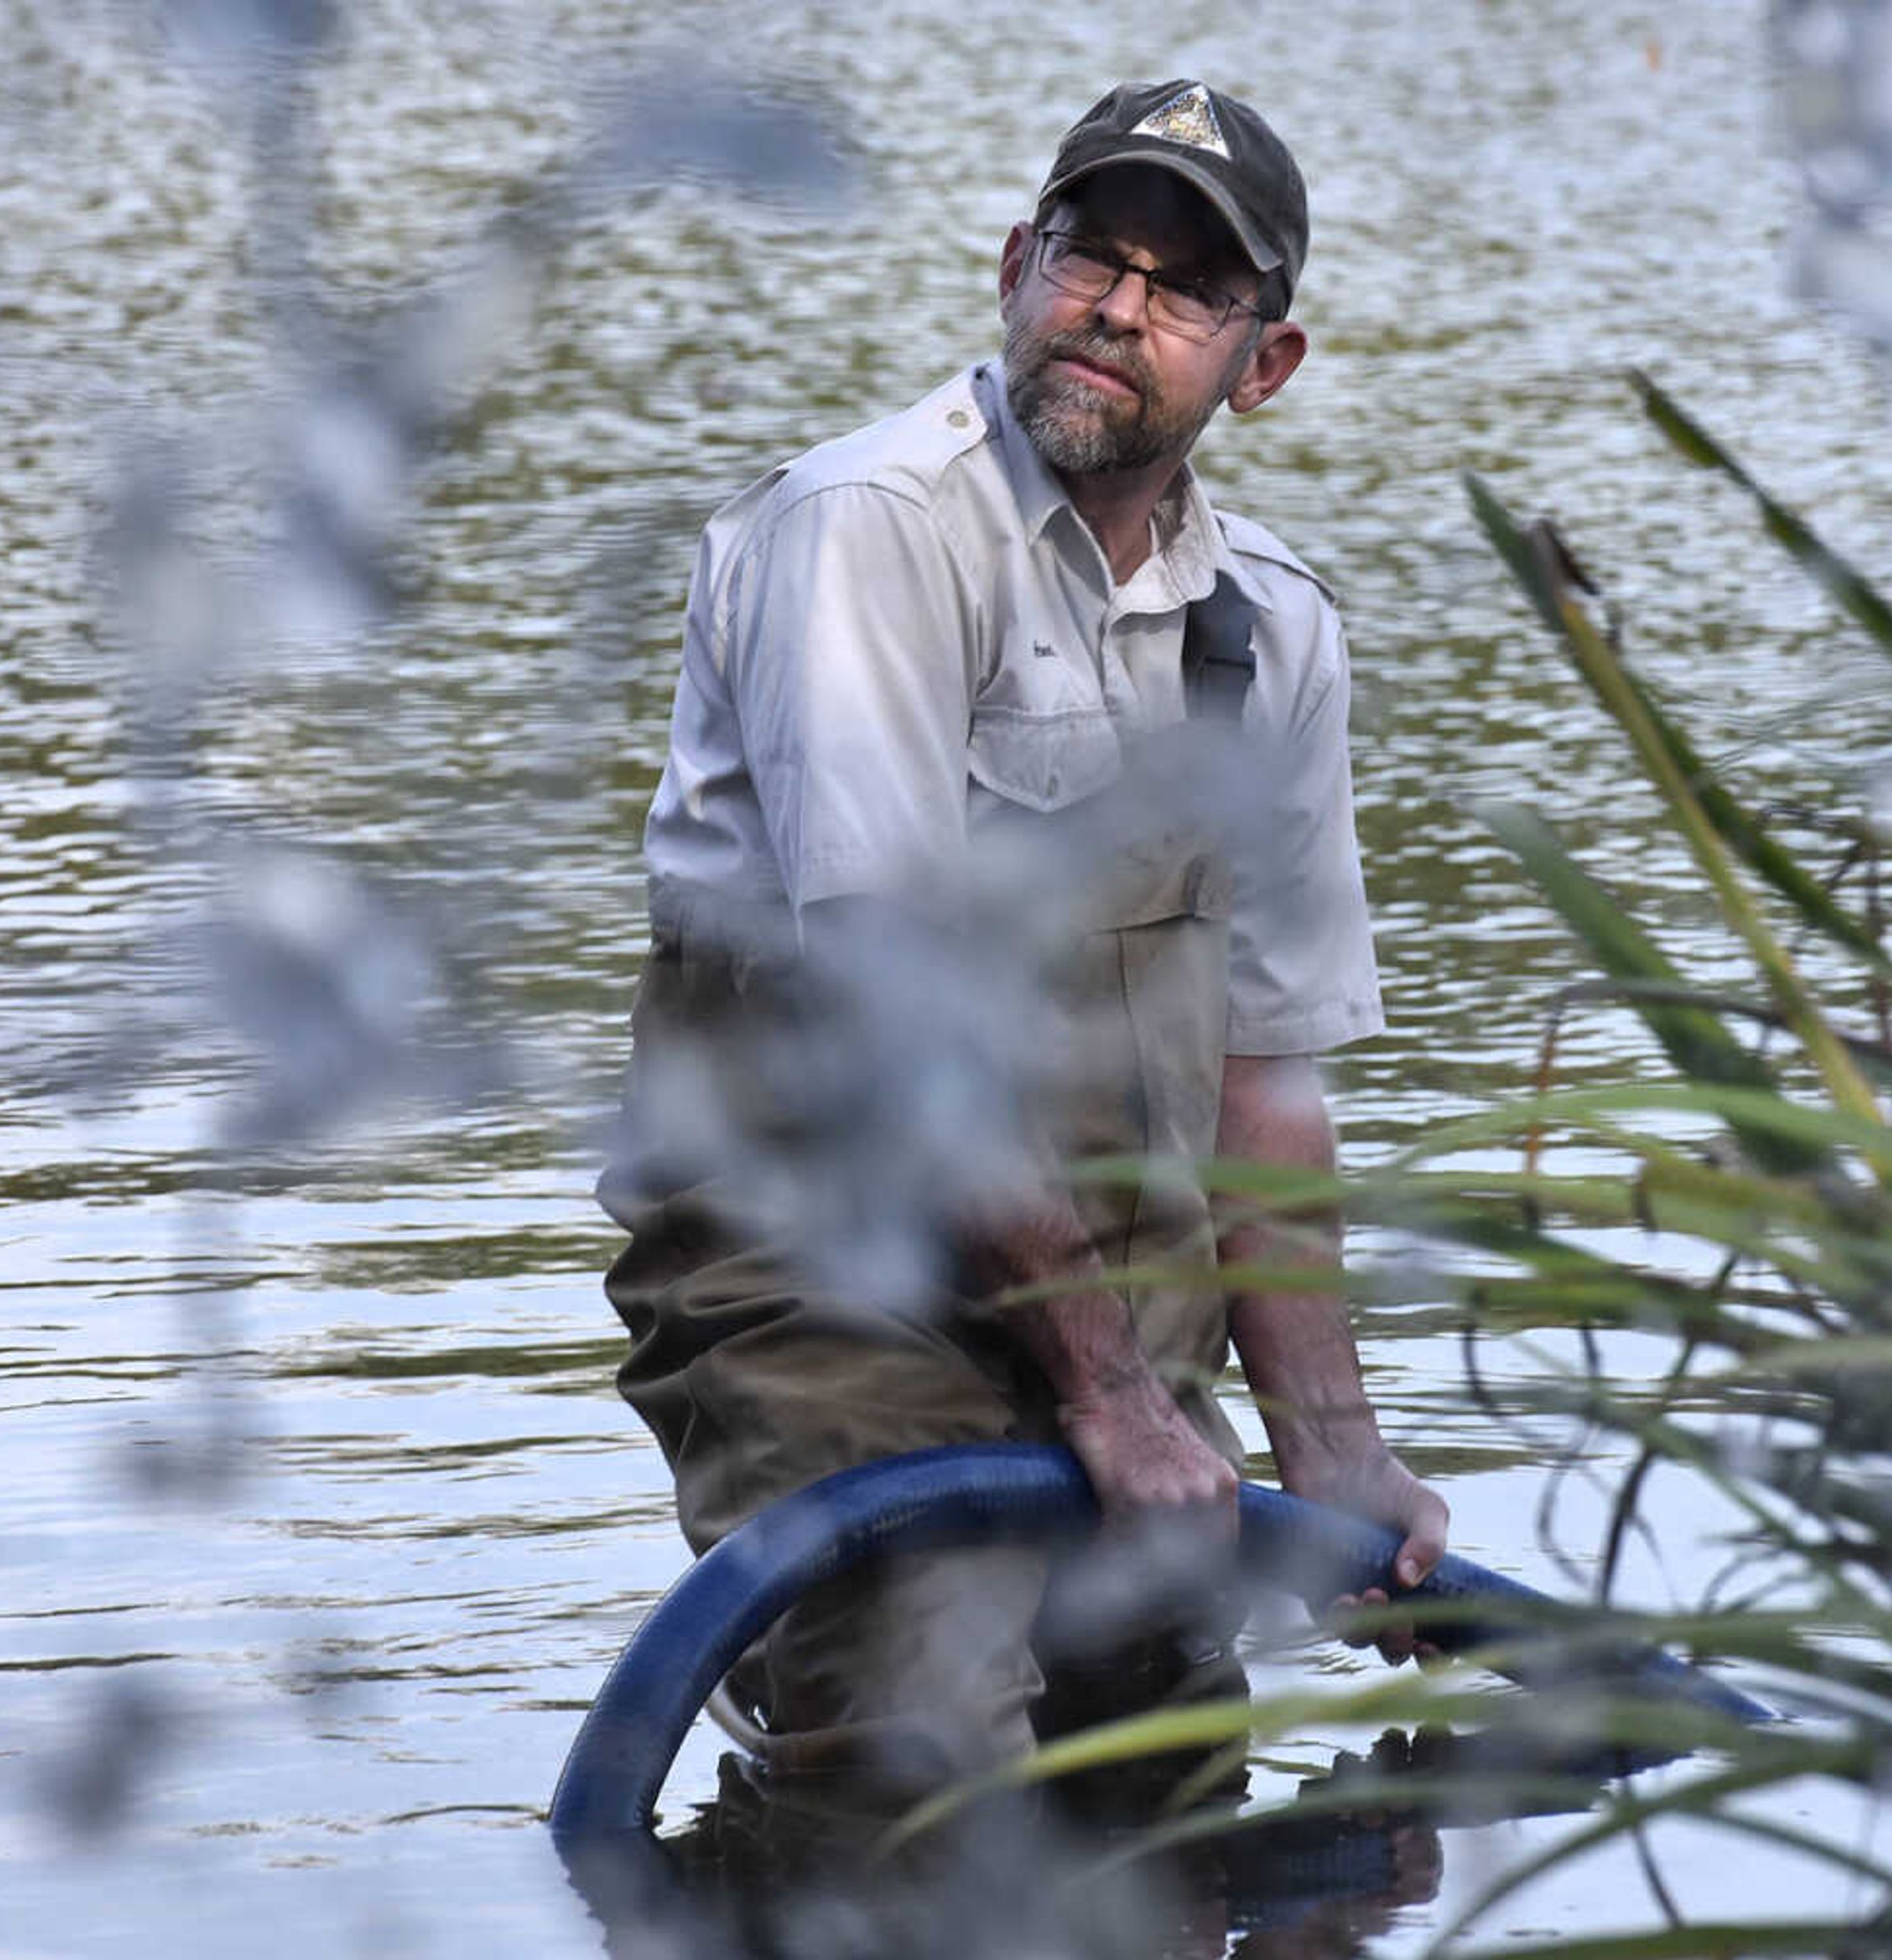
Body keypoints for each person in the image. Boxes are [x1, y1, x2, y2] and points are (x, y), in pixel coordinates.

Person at [598, 78, 1448, 1799]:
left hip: (1115, 1313)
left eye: (1187, 287)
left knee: (1173, 1785)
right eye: (1089, 254)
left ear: (1261, 366)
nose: (1116, 310)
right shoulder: (870, 533)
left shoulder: (1274, 634)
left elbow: (1263, 1085)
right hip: (816, 1295)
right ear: (1014, 266)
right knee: (921, 1738)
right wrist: (1112, 1402)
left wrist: (1334, 1457)